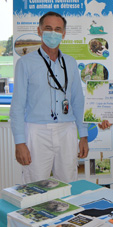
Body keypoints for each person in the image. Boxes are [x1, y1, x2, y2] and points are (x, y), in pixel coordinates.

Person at [10, 11, 89, 184]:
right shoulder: (25, 63)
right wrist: (20, 142)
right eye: (48, 28)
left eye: (58, 29)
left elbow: (77, 100)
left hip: (67, 130)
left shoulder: (70, 62)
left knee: (69, 184)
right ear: (39, 31)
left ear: (64, 34)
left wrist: (83, 135)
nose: (53, 33)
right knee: (36, 186)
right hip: (36, 131)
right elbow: (17, 106)